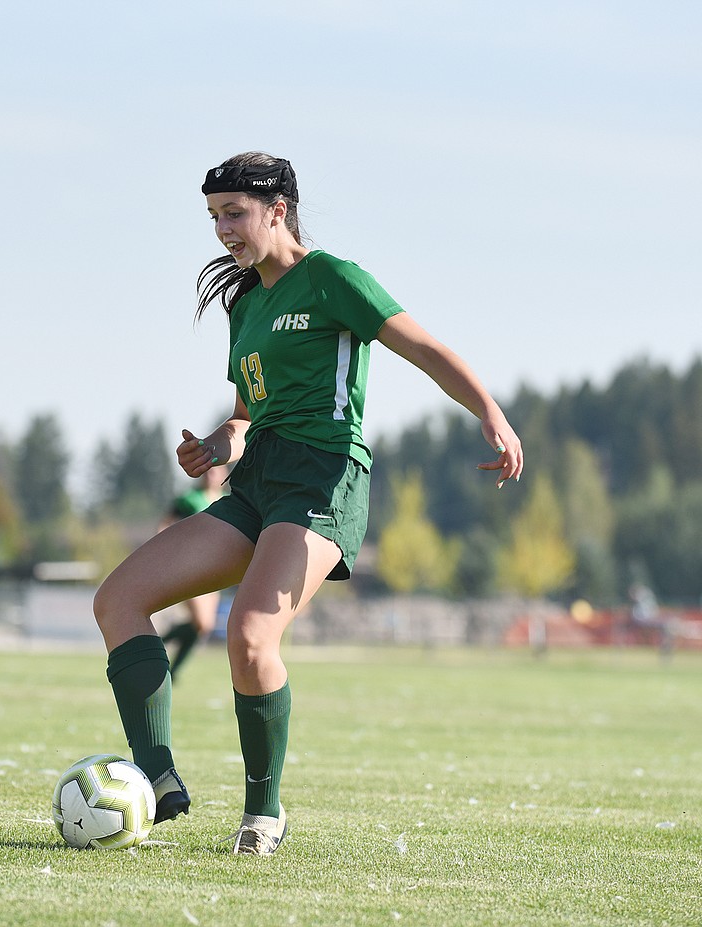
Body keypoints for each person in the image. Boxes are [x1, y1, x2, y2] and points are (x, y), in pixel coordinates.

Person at [93, 153, 524, 855]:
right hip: (258, 481)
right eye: (213, 217)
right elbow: (245, 415)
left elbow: (428, 349)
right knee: (116, 599)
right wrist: (216, 446)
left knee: (251, 636)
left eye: (234, 213)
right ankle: (156, 776)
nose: (223, 230)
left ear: (278, 210)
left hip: (325, 482)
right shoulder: (246, 304)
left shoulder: (333, 279)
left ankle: (264, 813)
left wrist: (491, 414)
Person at [157, 465, 229, 677]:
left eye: (215, 471)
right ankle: (153, 651)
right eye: (207, 471)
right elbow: (164, 525)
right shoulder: (189, 499)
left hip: (215, 571)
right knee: (200, 620)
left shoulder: (229, 503)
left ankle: (171, 670)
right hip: (188, 566)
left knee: (204, 626)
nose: (210, 475)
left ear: (224, 475)